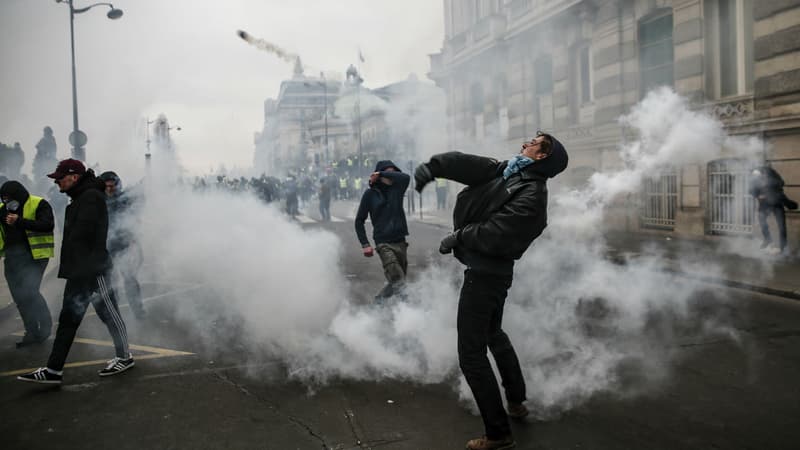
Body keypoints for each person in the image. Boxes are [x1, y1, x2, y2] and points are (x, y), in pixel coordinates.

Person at [414, 132, 568, 450]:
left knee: (471, 354)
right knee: (493, 333)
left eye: (534, 142)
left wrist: (460, 237)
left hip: (487, 274)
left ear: (542, 156)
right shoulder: (512, 171)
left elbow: (499, 234)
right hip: (488, 272)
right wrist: (435, 167)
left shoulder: (533, 193)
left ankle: (498, 434)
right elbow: (472, 167)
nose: (525, 142)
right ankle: (516, 401)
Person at [17, 159, 133, 385]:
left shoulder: (90, 197)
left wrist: (83, 267)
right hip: (78, 272)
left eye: (61, 177)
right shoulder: (81, 197)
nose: (57, 181)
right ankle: (53, 370)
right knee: (68, 320)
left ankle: (124, 356)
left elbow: (84, 235)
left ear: (74, 177)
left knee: (109, 313)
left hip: (94, 270)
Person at [0, 181, 55, 348]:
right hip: (12, 258)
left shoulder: (39, 204)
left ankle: (45, 327)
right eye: (3, 198)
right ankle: (31, 332)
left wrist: (20, 221)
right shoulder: (3, 210)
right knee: (19, 297)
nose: (7, 201)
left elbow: (47, 225)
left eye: (9, 198)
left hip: (35, 257)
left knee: (30, 292)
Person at [354, 160, 410, 302]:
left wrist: (382, 173)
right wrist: (365, 244)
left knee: (396, 279)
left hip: (401, 241)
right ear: (379, 177)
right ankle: (408, 314)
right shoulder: (370, 194)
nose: (392, 177)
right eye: (388, 174)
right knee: (399, 280)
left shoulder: (397, 190)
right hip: (383, 243)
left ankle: (378, 302)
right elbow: (359, 220)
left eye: (393, 173)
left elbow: (406, 177)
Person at [99, 171, 145, 319]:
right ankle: (114, 311)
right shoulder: (98, 201)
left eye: (112, 186)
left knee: (129, 278)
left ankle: (138, 310)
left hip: (124, 245)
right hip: (106, 246)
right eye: (106, 187)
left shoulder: (125, 200)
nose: (109, 189)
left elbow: (135, 216)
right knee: (110, 281)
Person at [749, 165, 797, 255]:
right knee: (762, 221)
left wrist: (770, 186)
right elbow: (751, 190)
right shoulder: (755, 178)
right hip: (765, 204)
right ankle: (768, 239)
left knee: (781, 226)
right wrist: (758, 196)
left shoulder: (773, 174)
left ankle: (783, 246)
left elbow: (781, 183)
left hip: (777, 203)